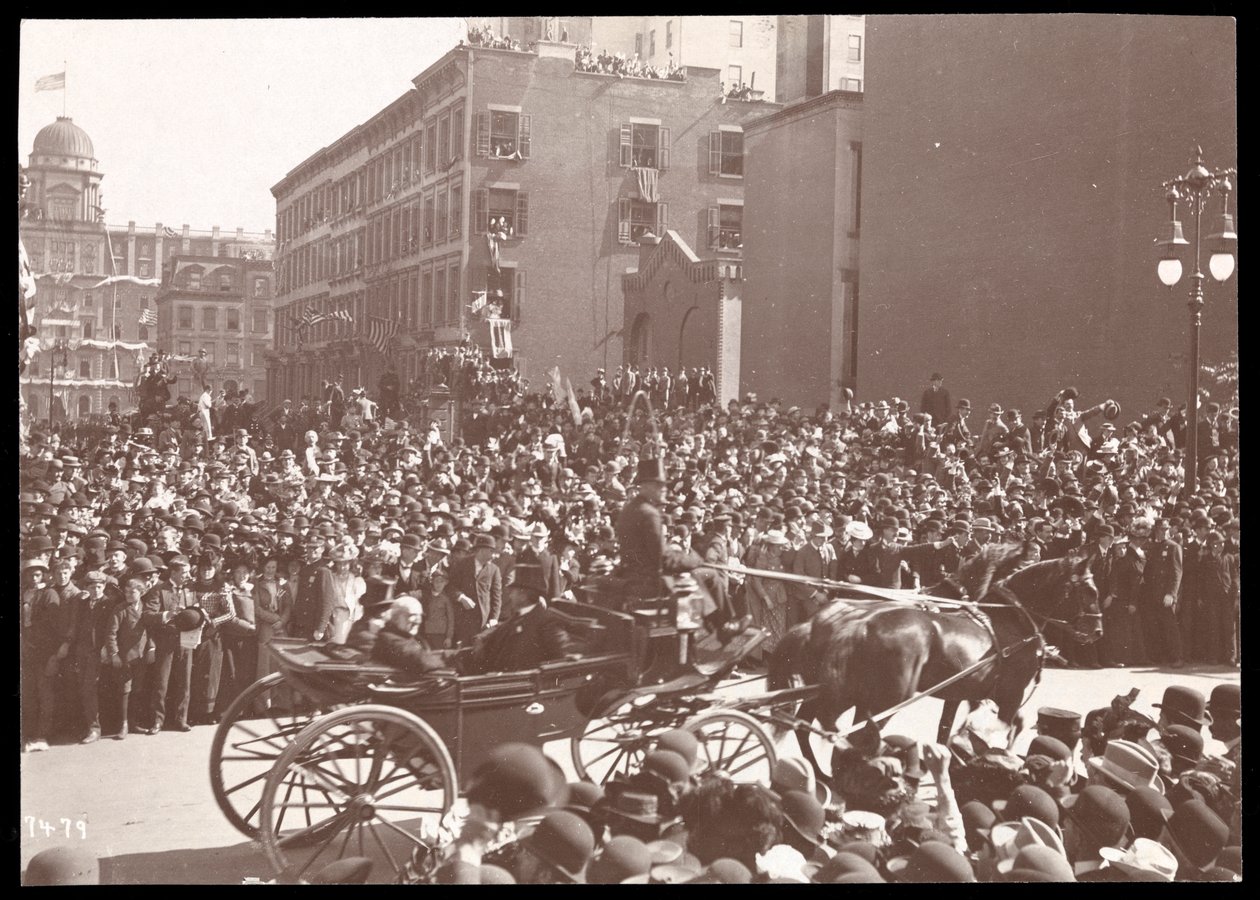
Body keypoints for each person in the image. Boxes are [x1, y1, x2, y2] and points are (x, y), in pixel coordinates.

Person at [472, 563, 575, 672]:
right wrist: (481, 638)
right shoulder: (518, 616)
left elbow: (559, 663)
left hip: (524, 684)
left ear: (524, 595)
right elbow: (500, 629)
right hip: (504, 680)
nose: (510, 595)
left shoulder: (547, 622)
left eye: (513, 591)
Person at [449, 533, 503, 647]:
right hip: (462, 621)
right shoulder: (462, 564)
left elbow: (496, 597)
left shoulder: (494, 570)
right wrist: (461, 597)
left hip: (483, 623)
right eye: (491, 551)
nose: (494, 555)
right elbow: (450, 586)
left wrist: (494, 618)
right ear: (481, 550)